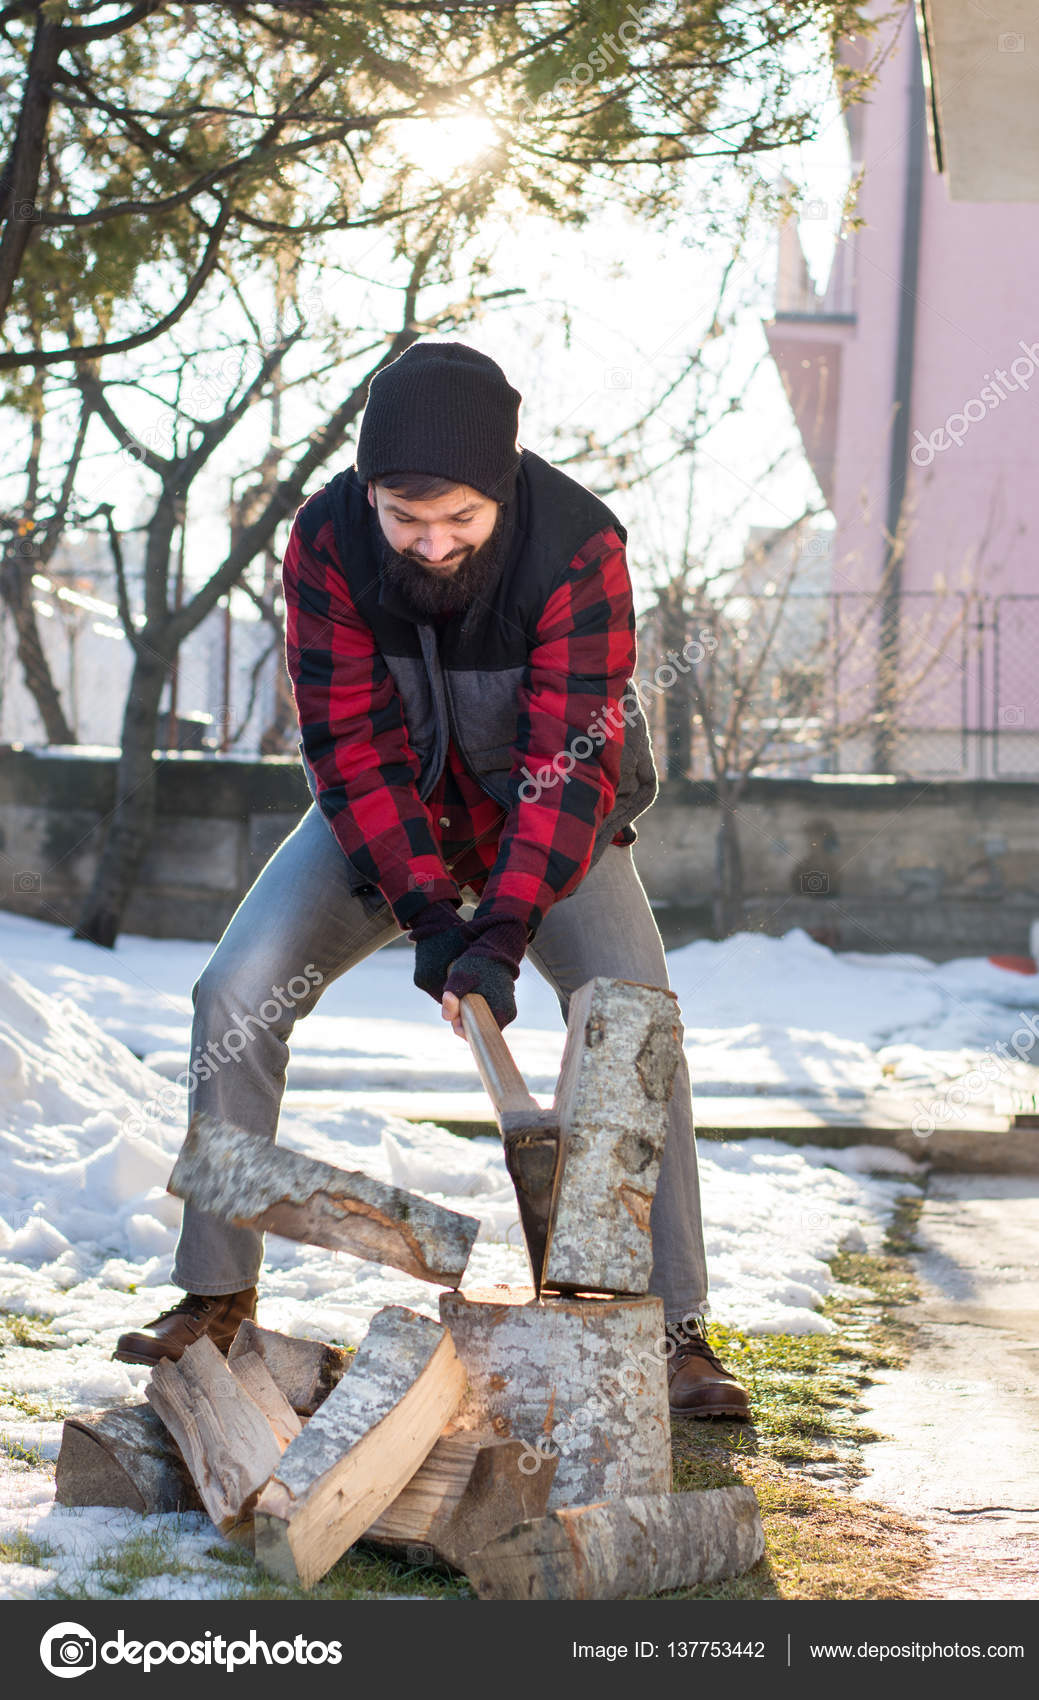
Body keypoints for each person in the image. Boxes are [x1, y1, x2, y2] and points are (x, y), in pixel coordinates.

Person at [113, 341, 750, 1421]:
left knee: (638, 1020)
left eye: (458, 518)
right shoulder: (324, 540)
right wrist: (422, 910)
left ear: (500, 487)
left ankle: (674, 1325)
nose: (433, 542)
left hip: (547, 818)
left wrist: (497, 929)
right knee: (233, 989)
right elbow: (349, 744)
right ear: (370, 493)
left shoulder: (577, 543)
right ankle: (214, 1290)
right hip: (384, 817)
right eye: (406, 521)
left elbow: (569, 761)